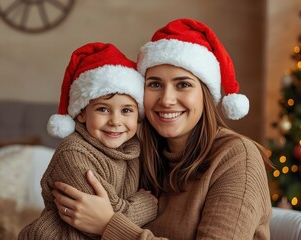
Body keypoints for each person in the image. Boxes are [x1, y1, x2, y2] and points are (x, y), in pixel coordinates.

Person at [52, 18, 272, 239]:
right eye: (155, 84)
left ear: (205, 95)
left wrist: (109, 225)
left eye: (183, 84)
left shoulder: (236, 157)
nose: (166, 100)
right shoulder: (138, 152)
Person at [18, 42, 158, 239]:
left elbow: (110, 218)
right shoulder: (74, 154)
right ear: (82, 113)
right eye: (103, 109)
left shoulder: (133, 150)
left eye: (126, 110)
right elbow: (103, 217)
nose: (115, 121)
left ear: (138, 115)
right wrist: (147, 204)